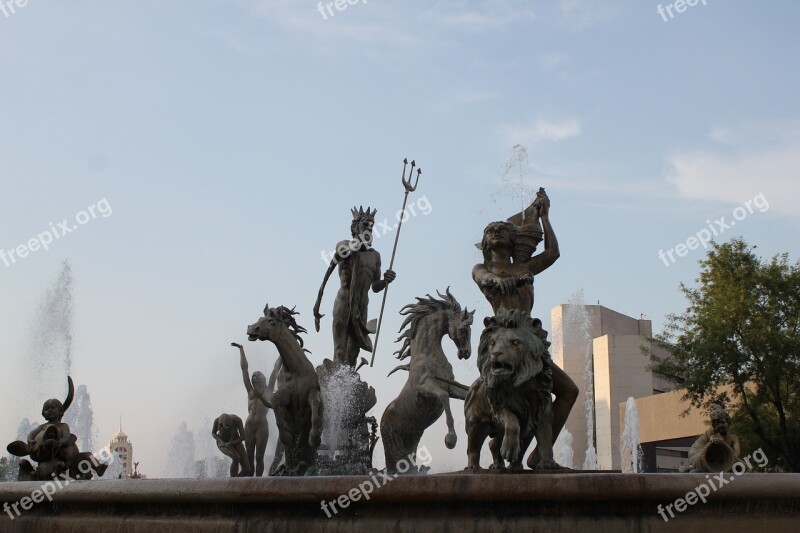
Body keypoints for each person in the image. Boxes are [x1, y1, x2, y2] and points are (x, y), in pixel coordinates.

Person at [471, 190, 578, 469]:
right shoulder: (482, 267)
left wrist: (545, 217)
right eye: (490, 230)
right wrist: (498, 281)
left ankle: (543, 454)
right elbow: (484, 278)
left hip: (529, 339)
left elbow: (553, 253)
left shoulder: (524, 266)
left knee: (568, 391)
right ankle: (506, 431)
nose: (496, 232)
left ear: (512, 237)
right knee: (503, 388)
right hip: (502, 336)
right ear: (485, 242)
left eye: (501, 229)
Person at [313, 206, 395, 367]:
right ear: (355, 228)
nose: (370, 229)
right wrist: (358, 242)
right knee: (340, 350)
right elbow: (344, 250)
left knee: (353, 352)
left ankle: (349, 386)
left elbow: (375, 287)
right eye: (365, 225)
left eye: (372, 226)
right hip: (344, 303)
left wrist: (385, 281)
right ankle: (334, 385)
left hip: (362, 306)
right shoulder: (345, 246)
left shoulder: (375, 256)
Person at [231, 342, 272, 476]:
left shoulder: (268, 390)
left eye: (257, 374)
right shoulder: (250, 390)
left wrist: (284, 354)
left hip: (262, 426)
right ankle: (249, 484)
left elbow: (276, 371)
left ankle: (259, 483)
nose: (254, 376)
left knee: (259, 457)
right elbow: (244, 369)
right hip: (248, 425)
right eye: (253, 375)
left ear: (263, 378)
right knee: (248, 458)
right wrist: (241, 350)